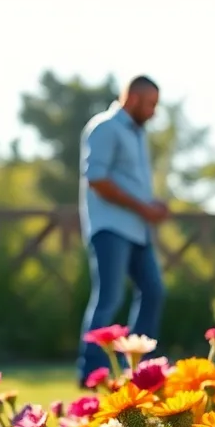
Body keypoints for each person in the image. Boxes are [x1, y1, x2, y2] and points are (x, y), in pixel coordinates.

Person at [77, 76, 169, 384]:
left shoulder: (137, 135)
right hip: (110, 229)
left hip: (137, 229)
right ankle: (91, 372)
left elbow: (129, 183)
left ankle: (141, 371)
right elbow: (98, 180)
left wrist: (151, 204)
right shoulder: (105, 127)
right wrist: (143, 207)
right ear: (132, 98)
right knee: (109, 299)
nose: (154, 112)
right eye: (151, 104)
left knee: (154, 291)